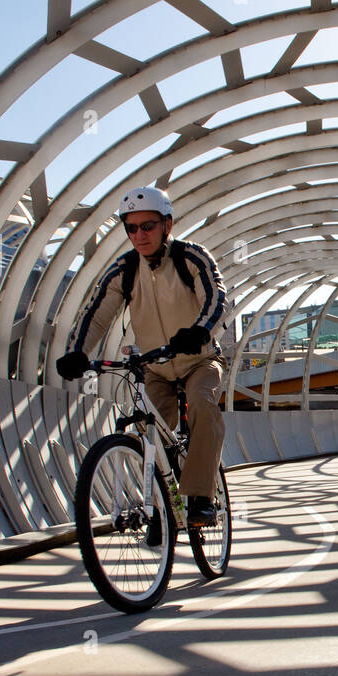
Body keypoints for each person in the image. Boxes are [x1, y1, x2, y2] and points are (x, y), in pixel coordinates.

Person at [55, 186, 226, 527]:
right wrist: (76, 353)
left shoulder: (190, 257)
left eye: (147, 226)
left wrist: (200, 332)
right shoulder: (125, 270)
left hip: (200, 360)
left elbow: (217, 298)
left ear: (167, 225)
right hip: (157, 368)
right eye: (131, 228)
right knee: (148, 434)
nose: (139, 235)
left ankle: (201, 496)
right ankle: (162, 504)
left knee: (202, 406)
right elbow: (97, 312)